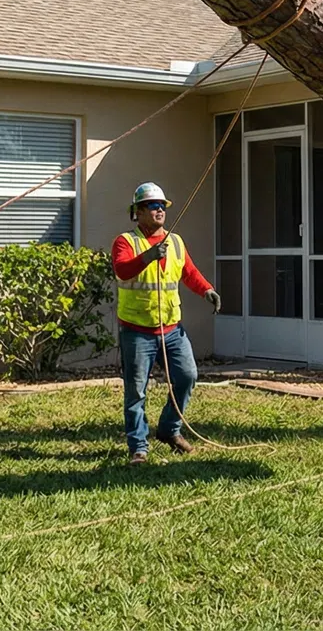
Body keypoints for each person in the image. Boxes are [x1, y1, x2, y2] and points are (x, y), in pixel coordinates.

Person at [111, 182, 220, 465]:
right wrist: (148, 256)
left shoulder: (176, 242)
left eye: (162, 206)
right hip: (137, 330)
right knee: (136, 390)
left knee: (187, 377)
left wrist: (206, 289)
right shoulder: (125, 241)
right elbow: (122, 270)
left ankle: (169, 430)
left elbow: (189, 272)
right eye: (152, 206)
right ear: (137, 212)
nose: (159, 210)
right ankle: (138, 447)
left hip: (172, 329)